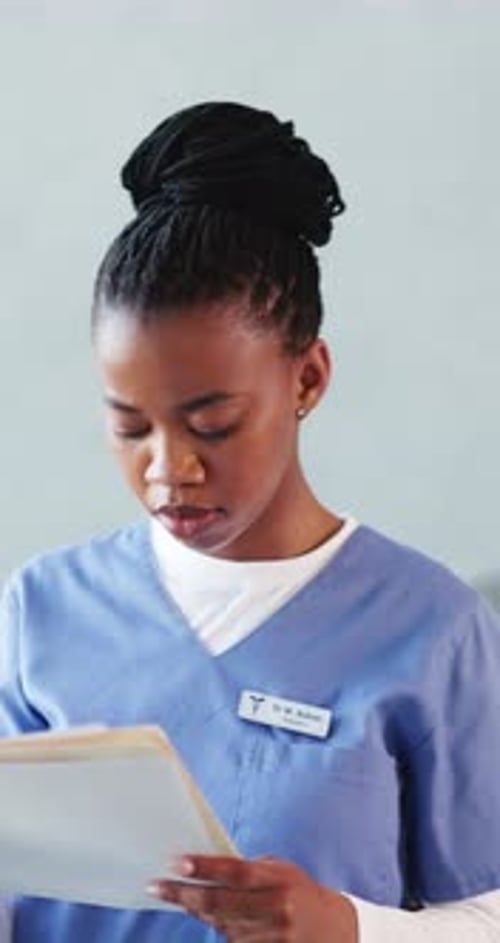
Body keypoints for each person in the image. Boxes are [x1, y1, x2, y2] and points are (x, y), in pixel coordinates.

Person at [1, 101, 500, 943]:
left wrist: (347, 925)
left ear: (306, 379)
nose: (168, 469)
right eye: (130, 426)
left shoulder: (433, 629)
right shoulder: (40, 610)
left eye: (212, 424)